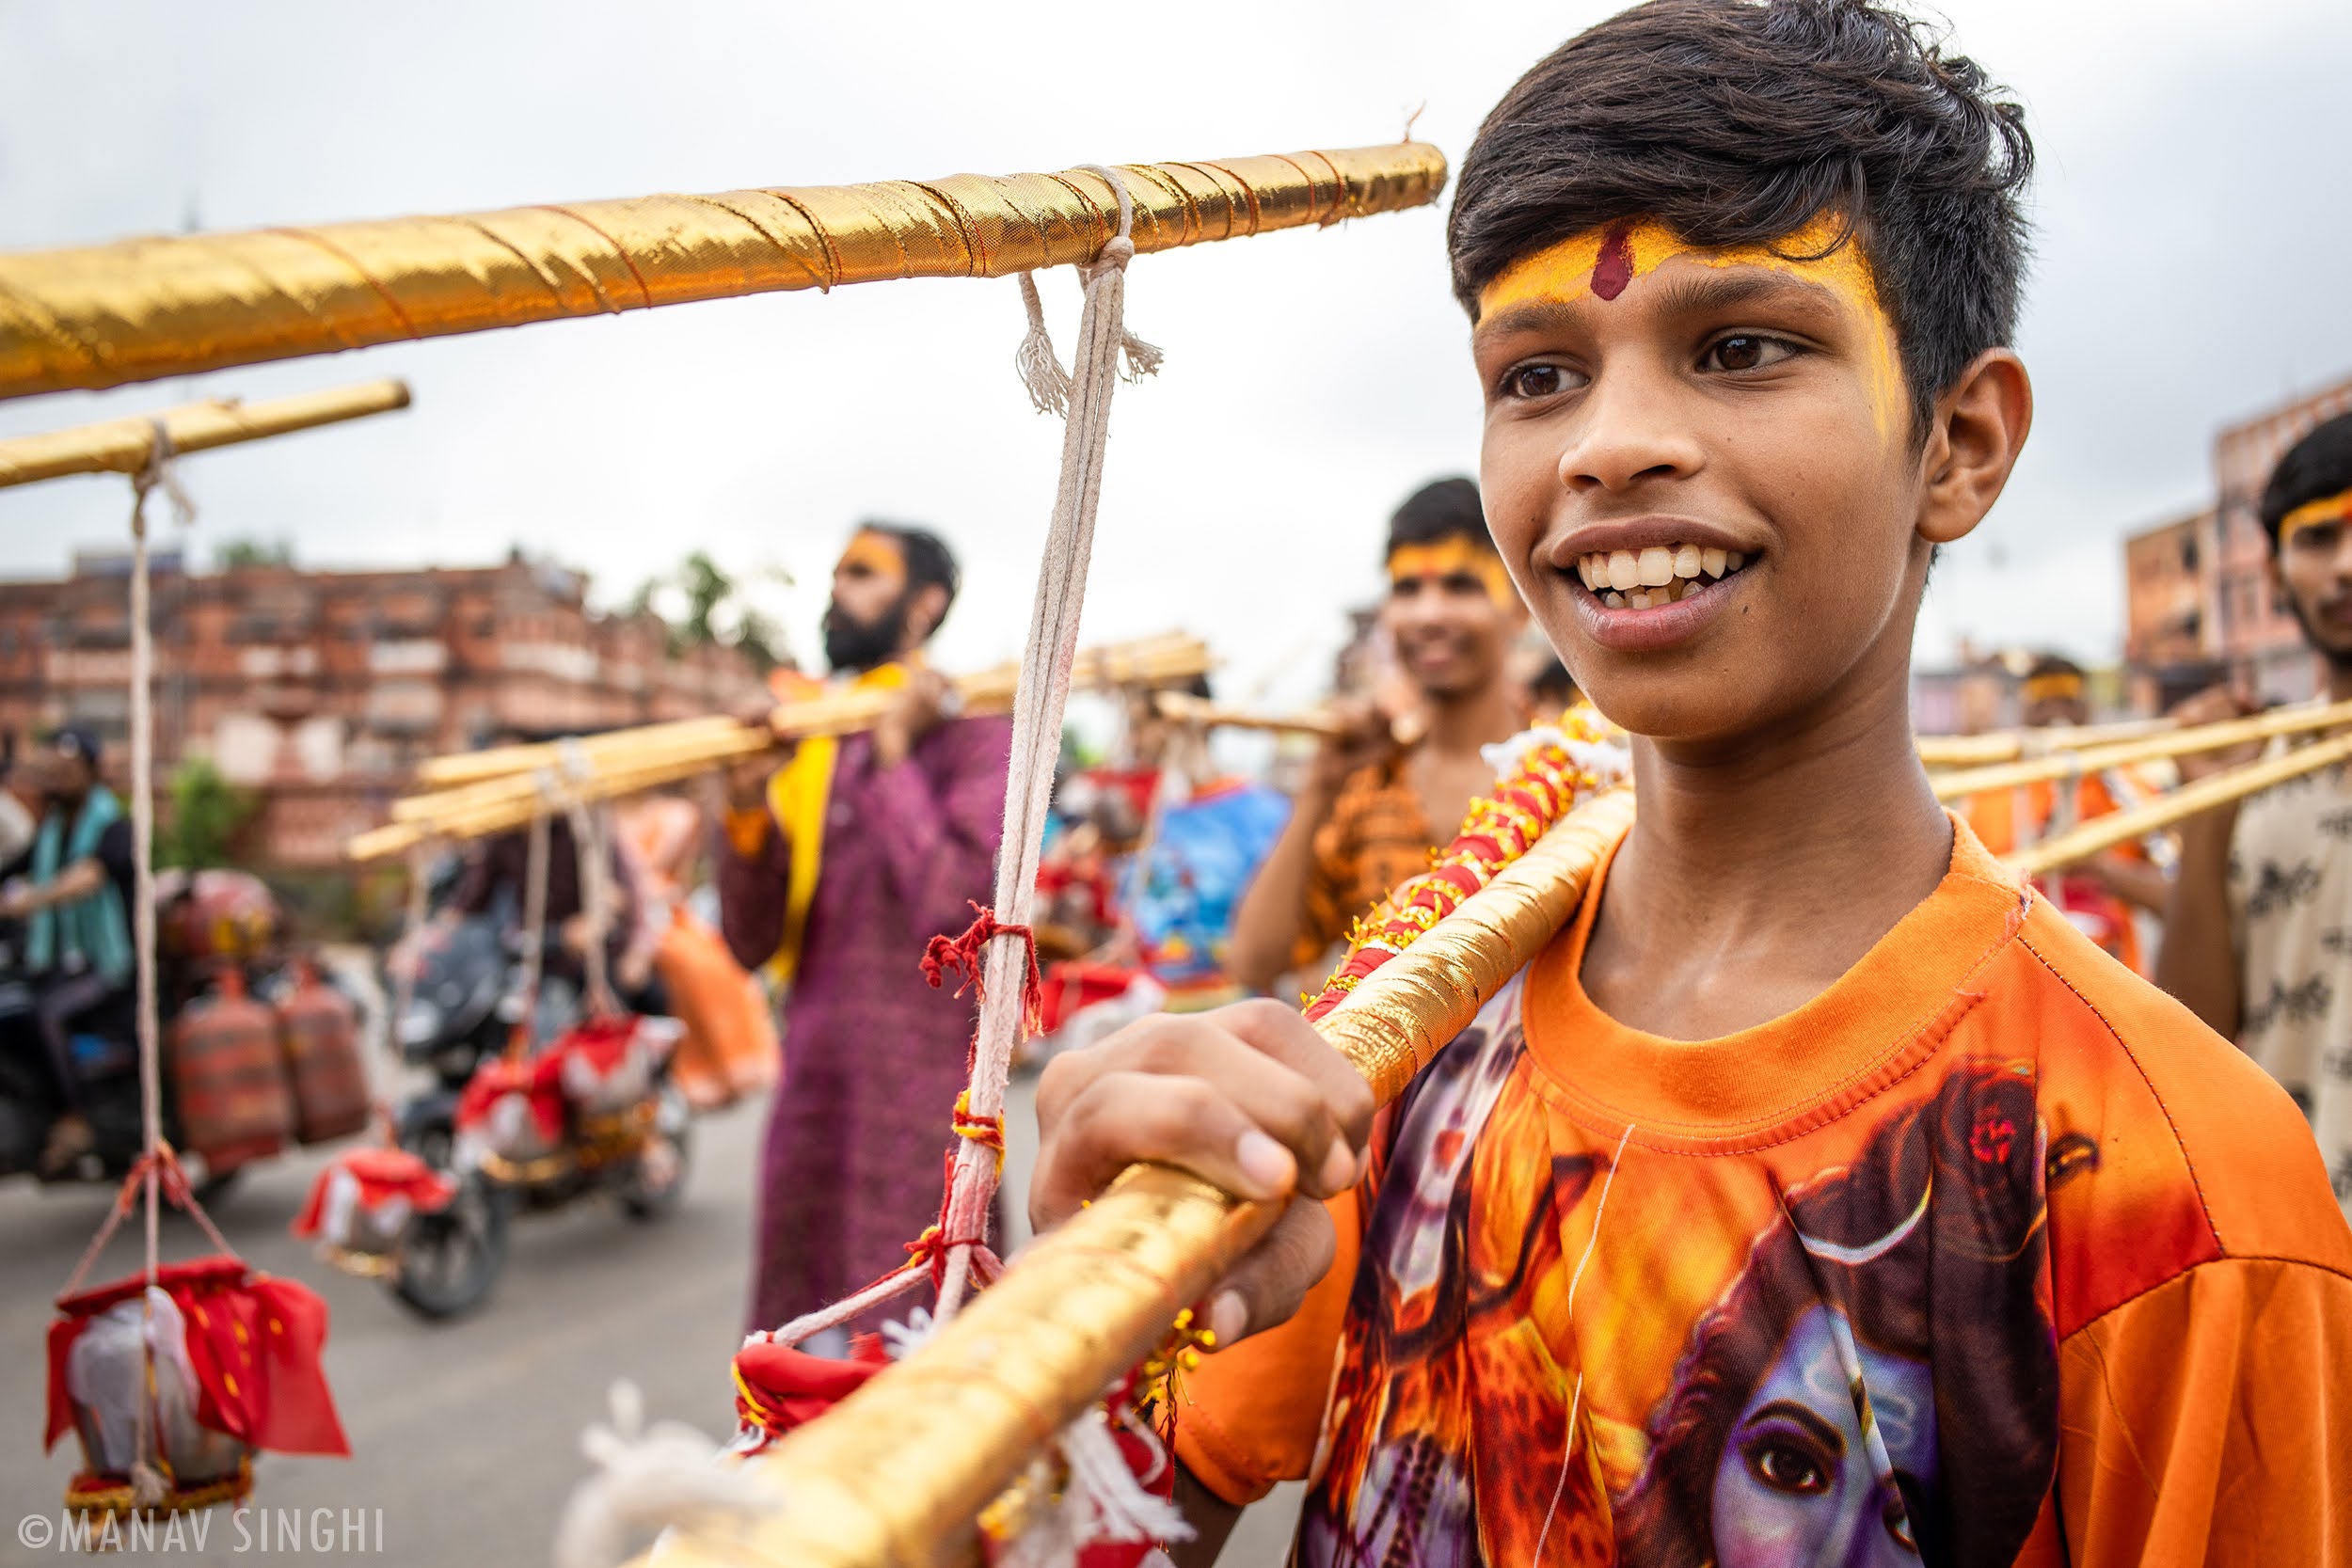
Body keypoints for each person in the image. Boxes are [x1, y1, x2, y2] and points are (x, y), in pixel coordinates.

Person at [1025, 3, 2352, 1561]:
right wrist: (1088, 1297)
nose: (1610, 444)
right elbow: (1120, 1515)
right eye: (1536, 376)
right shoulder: (1402, 1046)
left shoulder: (2173, 1182)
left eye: (1740, 349)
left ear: (1962, 442)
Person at [714, 523, 1009, 1340]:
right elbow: (749, 940)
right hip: (815, 1088)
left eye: (864, 574)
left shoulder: (982, 732)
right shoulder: (820, 739)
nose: (838, 589)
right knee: (802, 1358)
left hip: (920, 1107)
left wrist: (893, 754)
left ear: (926, 604)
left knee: (925, 1354)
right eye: (837, 572)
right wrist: (745, 806)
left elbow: (953, 909)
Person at [1227, 479, 1531, 997]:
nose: (1429, 615)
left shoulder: (1571, 772)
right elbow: (1254, 964)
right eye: (1407, 589)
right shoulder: (1369, 785)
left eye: (1462, 586)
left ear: (1522, 608)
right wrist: (1320, 791)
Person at [2159, 410, 2352, 1218]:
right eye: (2316, 539)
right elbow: (2191, 1039)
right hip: (2306, 1250)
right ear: (2272, 575)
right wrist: (2208, 809)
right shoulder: (2251, 779)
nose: (2346, 566)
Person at [1960, 653, 2169, 972]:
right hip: (2017, 987)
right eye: (2043, 707)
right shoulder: (1988, 793)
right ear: (2024, 713)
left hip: (2117, 988)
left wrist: (2098, 867)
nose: (2056, 718)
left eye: (2068, 704)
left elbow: (2177, 899)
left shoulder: (2128, 786)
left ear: (2088, 710)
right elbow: (1962, 905)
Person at [0, 729, 136, 1175]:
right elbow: (12, 869)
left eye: (66, 773)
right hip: (61, 961)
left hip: (110, 965)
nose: (56, 782)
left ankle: (75, 1118)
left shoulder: (114, 827)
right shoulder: (53, 833)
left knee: (48, 1013)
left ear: (91, 775)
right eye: (52, 773)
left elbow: (90, 876)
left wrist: (33, 899)